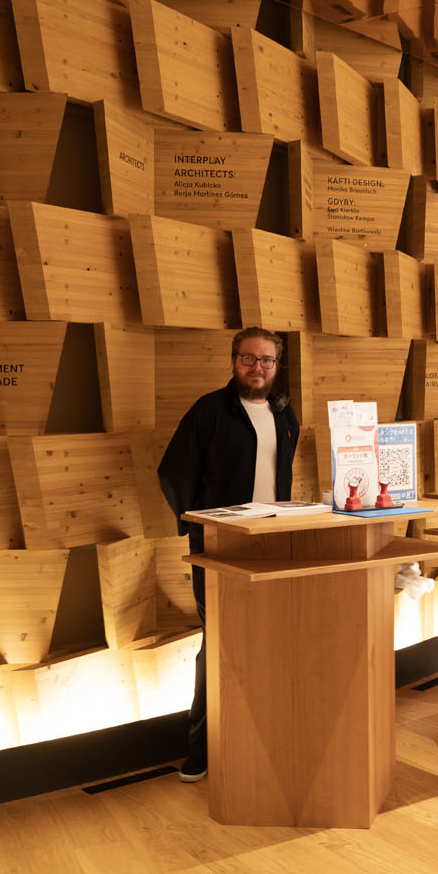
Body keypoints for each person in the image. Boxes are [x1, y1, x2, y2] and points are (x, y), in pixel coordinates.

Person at [157, 327, 299, 781]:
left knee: (268, 640)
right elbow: (173, 472)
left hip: (271, 544)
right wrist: (198, 526)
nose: (258, 367)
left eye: (266, 360)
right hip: (219, 547)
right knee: (219, 642)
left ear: (276, 366)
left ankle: (259, 735)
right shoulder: (209, 411)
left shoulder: (284, 413)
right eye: (249, 358)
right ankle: (202, 748)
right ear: (234, 361)